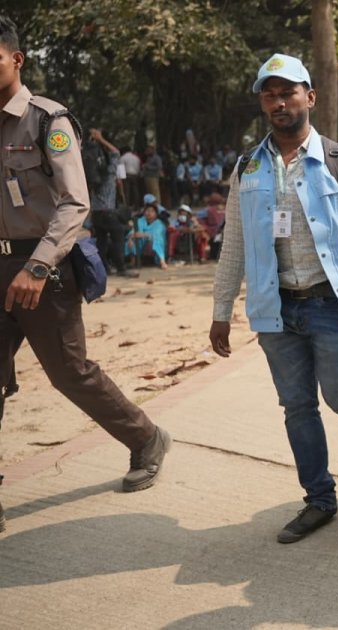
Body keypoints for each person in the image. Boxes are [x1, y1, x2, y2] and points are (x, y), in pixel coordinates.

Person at [209, 53, 338, 544]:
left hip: (329, 306)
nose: (279, 103)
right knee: (297, 406)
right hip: (275, 308)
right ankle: (319, 499)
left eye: (288, 93)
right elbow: (234, 242)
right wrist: (221, 310)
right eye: (270, 95)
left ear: (310, 97)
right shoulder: (247, 167)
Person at [0, 15, 171, 506]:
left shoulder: (46, 120)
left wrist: (37, 267)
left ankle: (146, 438)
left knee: (69, 373)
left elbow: (75, 203)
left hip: (43, 271)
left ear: (16, 59)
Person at [87, 131, 139, 278]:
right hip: (108, 211)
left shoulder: (91, 175)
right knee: (118, 237)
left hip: (96, 213)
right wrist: (101, 139)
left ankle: (104, 269)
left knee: (101, 241)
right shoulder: (110, 171)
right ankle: (121, 267)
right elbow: (116, 152)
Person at [128, 199, 168, 269]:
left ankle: (162, 261)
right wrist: (131, 238)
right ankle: (133, 261)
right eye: (147, 210)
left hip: (154, 242)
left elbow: (156, 235)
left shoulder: (159, 223)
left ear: (156, 214)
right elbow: (133, 231)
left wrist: (144, 234)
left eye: (152, 211)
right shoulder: (141, 220)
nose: (149, 213)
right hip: (143, 243)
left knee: (157, 239)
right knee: (133, 239)